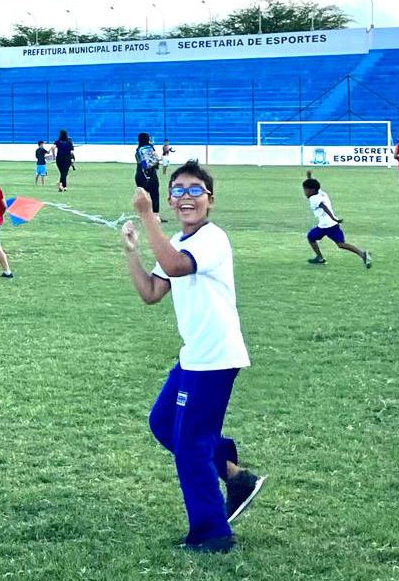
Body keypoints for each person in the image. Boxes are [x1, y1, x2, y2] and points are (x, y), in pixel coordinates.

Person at [121, 161, 264, 553]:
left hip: (215, 357)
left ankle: (212, 533)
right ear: (171, 198)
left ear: (210, 200)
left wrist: (147, 215)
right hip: (194, 356)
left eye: (195, 190)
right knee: (163, 422)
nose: (187, 197)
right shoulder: (176, 241)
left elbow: (173, 265)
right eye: (179, 190)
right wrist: (132, 252)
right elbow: (152, 292)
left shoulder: (211, 239)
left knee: (190, 445)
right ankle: (235, 477)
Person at [303, 173, 371, 267]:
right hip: (329, 224)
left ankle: (362, 254)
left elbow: (324, 207)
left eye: (305, 190)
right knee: (338, 244)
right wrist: (309, 177)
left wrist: (333, 218)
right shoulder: (321, 193)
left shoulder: (313, 199)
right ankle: (362, 254)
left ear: (312, 190)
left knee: (337, 243)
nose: (304, 192)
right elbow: (314, 185)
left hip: (326, 225)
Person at [135, 132, 165, 222]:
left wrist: (145, 166)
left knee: (143, 196)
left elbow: (141, 163)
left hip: (141, 175)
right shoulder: (151, 148)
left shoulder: (138, 150)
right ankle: (156, 216)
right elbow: (156, 160)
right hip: (152, 174)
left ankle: (144, 216)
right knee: (155, 194)